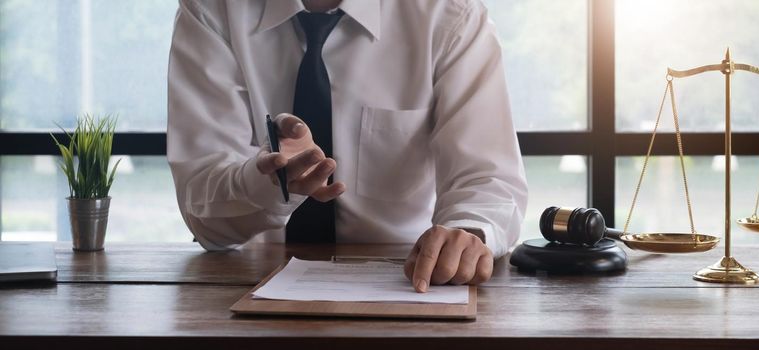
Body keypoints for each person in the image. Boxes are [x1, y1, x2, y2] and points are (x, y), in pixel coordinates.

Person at [167, 0, 527, 292]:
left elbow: (487, 179)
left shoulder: (451, 17)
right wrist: (269, 183)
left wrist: (466, 232)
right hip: (243, 290)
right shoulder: (211, 10)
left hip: (408, 285)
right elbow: (205, 220)